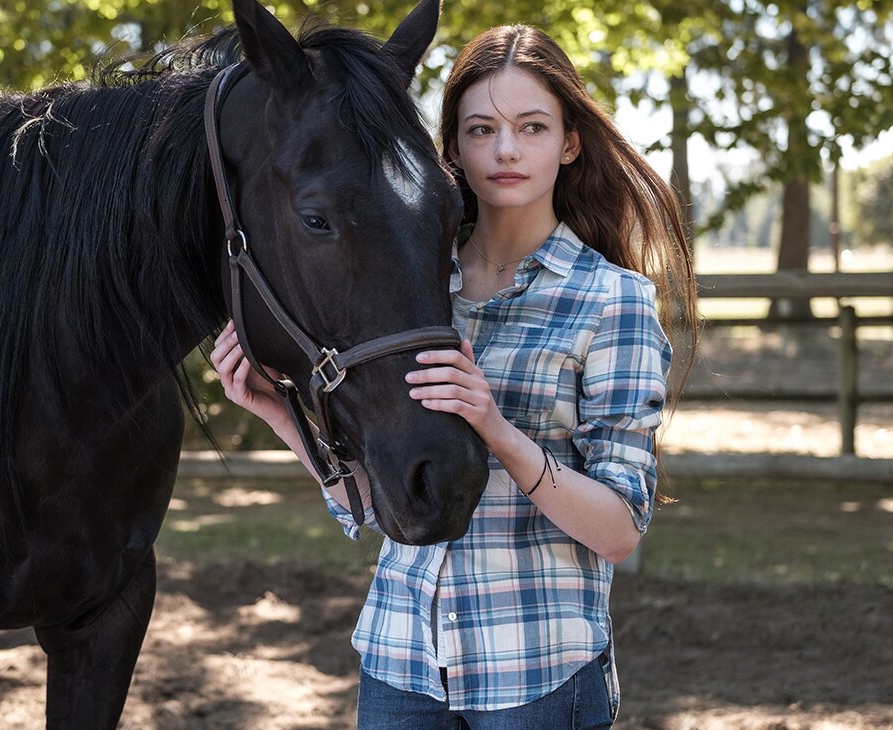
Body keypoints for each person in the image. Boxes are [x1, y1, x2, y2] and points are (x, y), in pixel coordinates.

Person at [211, 23, 697, 729]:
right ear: (452, 148)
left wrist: (495, 429)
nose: (504, 149)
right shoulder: (414, 286)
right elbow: (381, 507)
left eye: (531, 127)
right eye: (480, 129)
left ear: (569, 142)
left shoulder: (611, 300)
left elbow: (620, 531)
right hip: (400, 665)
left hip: (537, 677)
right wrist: (281, 416)